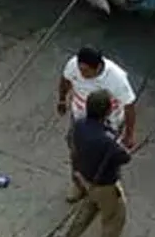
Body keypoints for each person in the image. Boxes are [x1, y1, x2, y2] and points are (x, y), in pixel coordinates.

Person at [54, 90, 131, 237]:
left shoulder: (80, 125)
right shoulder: (107, 140)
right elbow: (124, 157)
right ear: (108, 111)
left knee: (91, 205)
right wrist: (121, 140)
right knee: (113, 220)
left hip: (86, 177)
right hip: (105, 186)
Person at [57, 47, 137, 203]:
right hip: (80, 117)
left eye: (85, 71)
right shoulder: (74, 65)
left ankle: (109, 189)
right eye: (80, 69)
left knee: (108, 158)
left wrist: (129, 134)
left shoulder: (117, 78)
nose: (81, 74)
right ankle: (78, 184)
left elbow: (129, 105)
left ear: (98, 67)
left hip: (109, 123)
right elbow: (65, 80)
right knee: (75, 151)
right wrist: (62, 99)